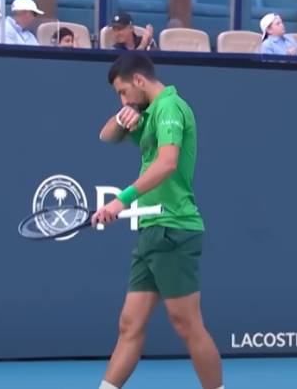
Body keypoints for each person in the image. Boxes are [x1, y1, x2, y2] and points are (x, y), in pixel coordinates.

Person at [93, 52, 224, 389]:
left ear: (139, 80)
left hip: (174, 228)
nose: (123, 99)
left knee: (188, 325)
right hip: (152, 231)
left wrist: (121, 200)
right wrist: (123, 116)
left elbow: (167, 164)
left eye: (123, 92)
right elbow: (106, 136)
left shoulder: (170, 108)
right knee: (130, 324)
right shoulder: (147, 112)